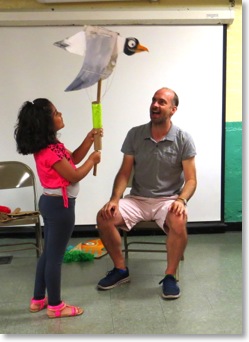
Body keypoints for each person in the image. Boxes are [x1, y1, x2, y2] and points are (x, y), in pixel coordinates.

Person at [96, 87, 197, 299]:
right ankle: (120, 270)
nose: (155, 105)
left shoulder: (183, 138)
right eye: (153, 100)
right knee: (104, 217)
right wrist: (114, 199)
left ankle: (170, 277)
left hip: (168, 200)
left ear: (173, 109)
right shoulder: (135, 134)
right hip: (137, 199)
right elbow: (124, 173)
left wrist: (181, 199)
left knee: (178, 220)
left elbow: (191, 180)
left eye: (161, 102)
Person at [14, 98, 101, 318]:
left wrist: (89, 140)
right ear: (46, 122)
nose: (60, 114)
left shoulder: (54, 147)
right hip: (60, 209)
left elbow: (72, 159)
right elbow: (74, 174)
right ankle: (55, 306)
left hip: (52, 205)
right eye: (56, 113)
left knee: (48, 254)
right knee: (55, 258)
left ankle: (38, 299)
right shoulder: (49, 152)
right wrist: (92, 161)